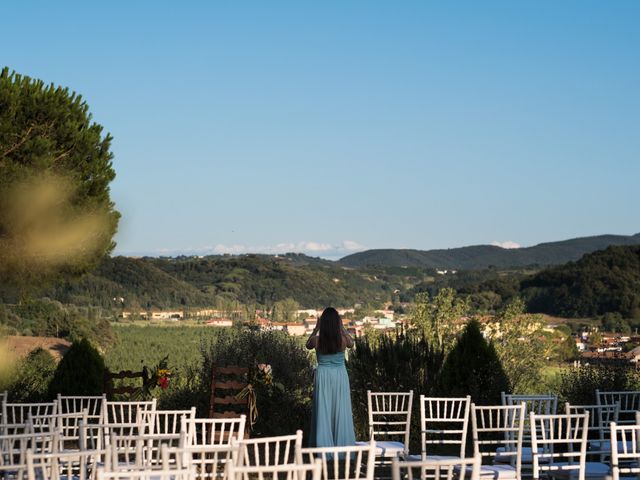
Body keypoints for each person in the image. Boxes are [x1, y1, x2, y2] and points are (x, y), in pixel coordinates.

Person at [306, 307, 356, 447]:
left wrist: (316, 329)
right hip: (340, 376)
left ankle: (324, 444)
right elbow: (352, 344)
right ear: (337, 323)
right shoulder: (344, 341)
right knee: (341, 408)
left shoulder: (316, 340)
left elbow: (307, 345)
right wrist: (343, 329)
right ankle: (342, 445)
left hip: (323, 376)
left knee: (324, 409)